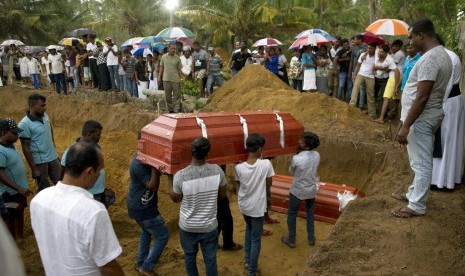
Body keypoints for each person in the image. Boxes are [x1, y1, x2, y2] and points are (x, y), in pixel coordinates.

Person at [30, 142, 124, 276]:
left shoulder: (39, 200)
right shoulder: (94, 212)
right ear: (90, 172)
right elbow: (108, 266)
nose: (99, 175)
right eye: (100, 170)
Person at [391, 19, 452, 218]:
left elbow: (422, 96)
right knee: (417, 160)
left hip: (422, 119)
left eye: (411, 37)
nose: (409, 42)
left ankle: (416, 205)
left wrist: (406, 125)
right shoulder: (439, 54)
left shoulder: (430, 59)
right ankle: (413, 194)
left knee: (422, 163)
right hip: (425, 116)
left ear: (420, 35)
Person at [169, 137, 227, 276]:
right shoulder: (217, 171)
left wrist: (169, 180)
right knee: (211, 260)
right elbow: (223, 195)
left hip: (187, 226)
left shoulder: (180, 176)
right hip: (209, 226)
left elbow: (176, 199)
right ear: (207, 154)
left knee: (189, 258)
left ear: (191, 152)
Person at [127, 133, 169, 276]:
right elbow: (152, 186)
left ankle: (140, 263)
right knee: (162, 235)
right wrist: (155, 167)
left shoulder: (143, 159)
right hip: (143, 208)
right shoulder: (138, 163)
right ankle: (146, 267)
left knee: (146, 232)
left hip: (138, 205)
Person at [234, 133, 275, 276]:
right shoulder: (266, 164)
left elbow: (239, 185)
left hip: (244, 206)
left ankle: (246, 259)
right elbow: (269, 184)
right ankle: (252, 270)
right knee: (256, 239)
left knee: (249, 228)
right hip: (257, 207)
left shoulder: (238, 167)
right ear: (259, 149)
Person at [431, 44, 464, 190]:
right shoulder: (443, 55)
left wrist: (438, 105)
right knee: (445, 139)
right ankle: (440, 178)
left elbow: (447, 84)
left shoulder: (448, 57)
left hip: (448, 102)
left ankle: (443, 180)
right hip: (448, 101)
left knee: (446, 139)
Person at [281, 132, 320, 248]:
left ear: (307, 146)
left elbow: (291, 172)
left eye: (301, 141)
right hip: (311, 189)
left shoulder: (296, 158)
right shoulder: (317, 155)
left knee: (292, 214)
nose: (299, 142)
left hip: (297, 190)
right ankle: (311, 238)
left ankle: (291, 240)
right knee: (310, 213)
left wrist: (297, 156)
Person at [19, 94, 60, 192]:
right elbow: (25, 147)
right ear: (32, 106)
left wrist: (55, 152)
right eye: (42, 106)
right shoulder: (24, 124)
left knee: (60, 183)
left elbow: (50, 132)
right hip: (40, 162)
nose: (45, 108)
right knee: (44, 188)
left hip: (53, 158)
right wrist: (34, 169)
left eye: (45, 105)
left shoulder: (45, 116)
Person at [0, 118, 32, 240]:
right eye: (13, 133)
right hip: (9, 192)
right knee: (10, 217)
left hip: (18, 191)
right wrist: (18, 188)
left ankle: (20, 238)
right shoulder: (1, 150)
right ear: (3, 132)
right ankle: (13, 242)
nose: (17, 135)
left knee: (19, 212)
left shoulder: (10, 146)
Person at [61, 120, 106, 204]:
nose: (100, 137)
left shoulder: (97, 147)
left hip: (99, 191)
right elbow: (63, 172)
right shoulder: (72, 151)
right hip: (86, 194)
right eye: (98, 134)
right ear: (89, 134)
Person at [373, 44, 401, 123]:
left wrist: (396, 86)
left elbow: (397, 71)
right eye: (379, 51)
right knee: (394, 99)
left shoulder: (390, 60)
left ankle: (381, 118)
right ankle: (394, 117)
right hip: (389, 77)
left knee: (386, 98)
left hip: (392, 78)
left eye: (381, 52)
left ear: (386, 53)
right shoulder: (378, 54)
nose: (379, 53)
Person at [350, 42, 376, 116]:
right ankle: (351, 106)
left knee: (371, 94)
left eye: (371, 48)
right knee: (355, 88)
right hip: (361, 74)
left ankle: (372, 114)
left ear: (375, 49)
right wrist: (354, 75)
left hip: (371, 76)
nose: (369, 49)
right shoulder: (363, 55)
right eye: (368, 48)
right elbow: (358, 65)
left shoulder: (377, 57)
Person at [158, 43, 182, 113]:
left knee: (177, 96)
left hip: (175, 79)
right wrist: (159, 76)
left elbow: (179, 70)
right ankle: (170, 110)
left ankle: (176, 110)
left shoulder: (178, 58)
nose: (174, 50)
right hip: (166, 79)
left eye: (174, 48)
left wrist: (181, 79)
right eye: (172, 48)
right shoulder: (163, 57)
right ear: (168, 49)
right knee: (167, 96)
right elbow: (161, 67)